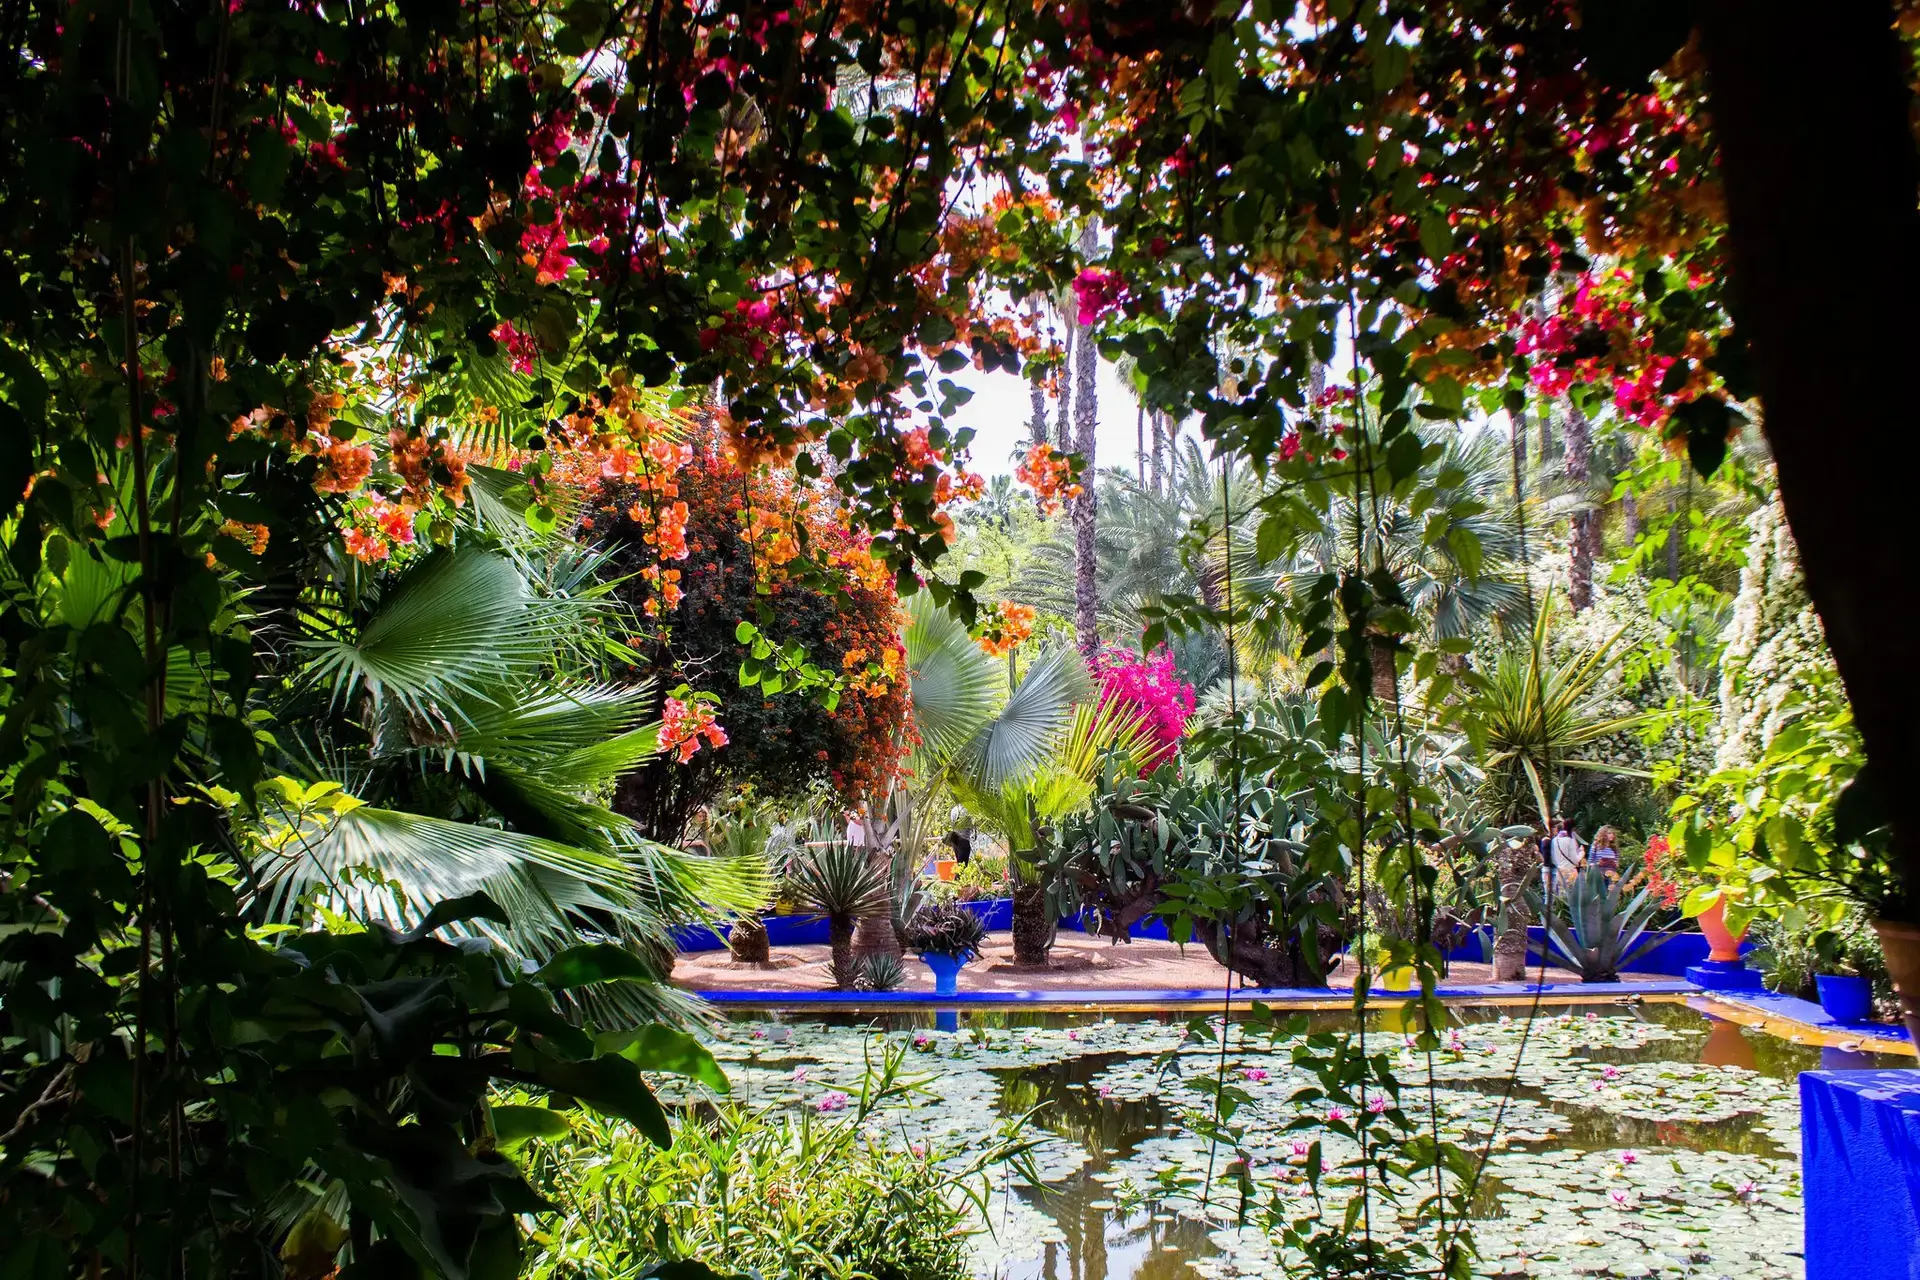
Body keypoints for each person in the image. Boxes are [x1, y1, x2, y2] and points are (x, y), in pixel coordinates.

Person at [1547, 818, 1585, 891]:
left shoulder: (1554, 840)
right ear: (1573, 829)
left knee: (1562, 896)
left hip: (1559, 871)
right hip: (1570, 872)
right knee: (1573, 895)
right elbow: (1575, 860)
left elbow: (1554, 859)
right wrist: (1582, 852)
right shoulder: (1570, 840)